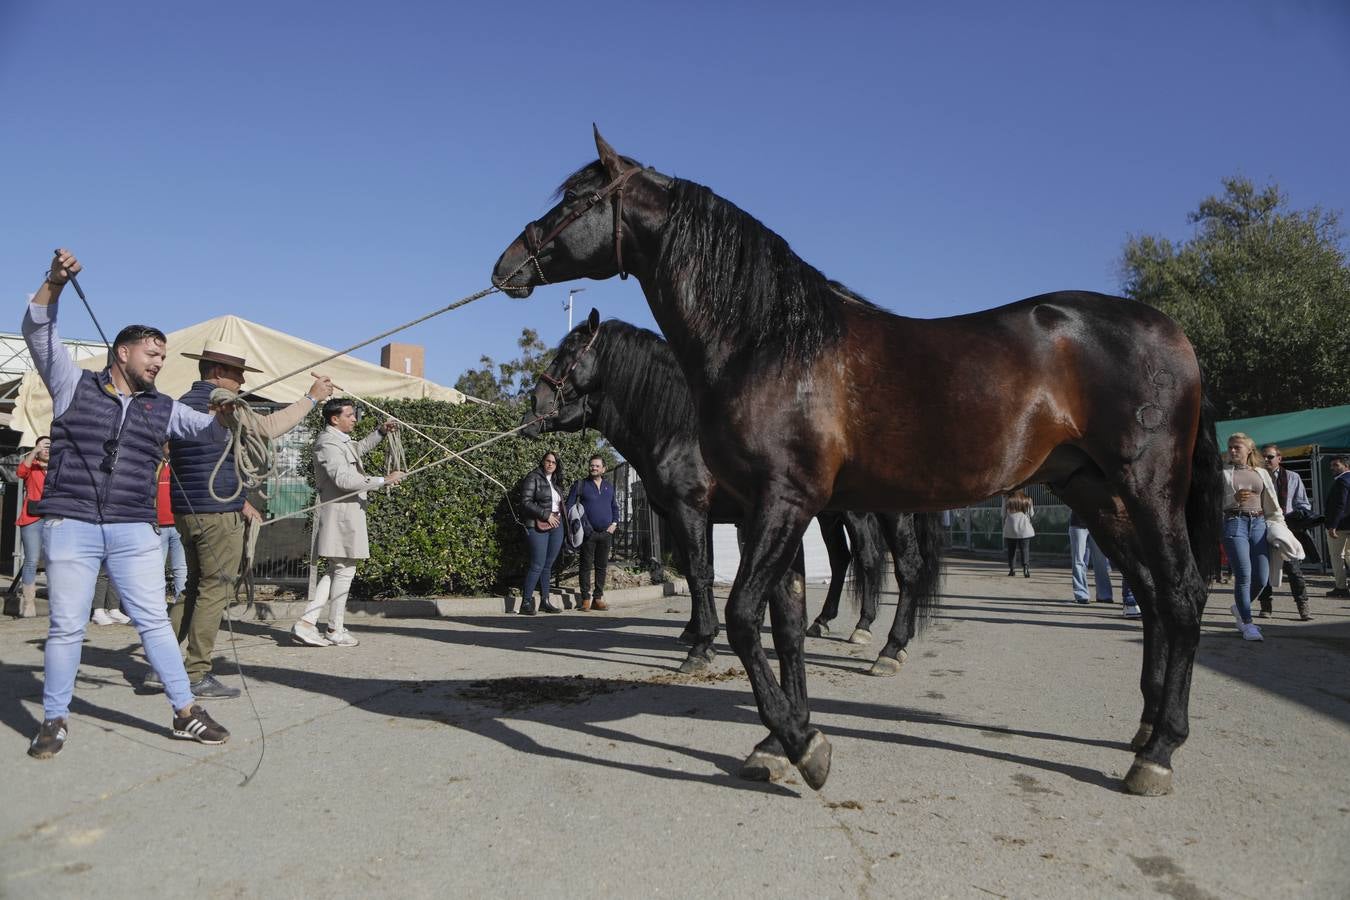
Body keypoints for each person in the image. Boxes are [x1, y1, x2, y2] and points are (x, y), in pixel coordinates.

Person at [23, 248, 231, 759]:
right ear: (122, 353)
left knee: (155, 622)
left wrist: (233, 413)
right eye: (152, 355)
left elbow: (210, 429)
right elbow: (37, 330)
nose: (159, 363)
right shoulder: (72, 385)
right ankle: (54, 719)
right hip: (70, 524)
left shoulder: (165, 408)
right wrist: (55, 282)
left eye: (162, 357)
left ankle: (185, 713)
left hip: (135, 530)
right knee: (67, 626)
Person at [162, 340, 332, 696]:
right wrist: (311, 399)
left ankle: (158, 665)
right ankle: (195, 673)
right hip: (216, 512)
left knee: (194, 587)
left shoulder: (180, 405)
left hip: (187, 509)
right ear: (219, 373)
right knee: (215, 589)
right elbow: (267, 428)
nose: (241, 381)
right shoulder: (224, 405)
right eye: (238, 373)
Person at [291, 398, 404, 647]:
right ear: (335, 419)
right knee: (343, 570)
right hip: (340, 515)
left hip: (348, 514)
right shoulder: (327, 443)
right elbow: (344, 479)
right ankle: (330, 628)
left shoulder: (338, 440)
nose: (355, 419)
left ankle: (311, 623)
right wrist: (383, 480)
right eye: (350, 415)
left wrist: (381, 432)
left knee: (338, 570)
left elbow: (358, 449)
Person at [1221, 432, 1285, 642]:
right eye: (1230, 447)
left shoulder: (1261, 472)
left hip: (1259, 524)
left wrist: (1279, 525)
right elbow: (1214, 503)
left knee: (1262, 576)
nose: (1232, 450)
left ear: (1249, 450)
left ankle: (1240, 606)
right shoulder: (1223, 472)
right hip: (1234, 522)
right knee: (1244, 574)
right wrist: (1234, 498)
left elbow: (1272, 502)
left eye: (1237, 447)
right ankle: (1247, 624)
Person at [1254, 444, 1313, 620]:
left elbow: (1303, 504)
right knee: (1263, 569)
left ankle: (1303, 606)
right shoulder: (1256, 477)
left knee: (1294, 569)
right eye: (1263, 457)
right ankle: (1266, 606)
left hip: (1285, 528)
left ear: (1280, 458)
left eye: (1270, 457)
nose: (1266, 460)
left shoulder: (1293, 477)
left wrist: (1296, 515)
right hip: (1262, 527)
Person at [566, 455, 621, 611]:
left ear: (603, 469)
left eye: (597, 466)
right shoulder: (581, 484)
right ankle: (585, 599)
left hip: (606, 533)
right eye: (592, 465)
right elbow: (569, 506)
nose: (594, 468)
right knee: (585, 566)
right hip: (587, 534)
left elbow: (615, 507)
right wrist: (577, 525)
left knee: (601, 567)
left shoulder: (609, 487)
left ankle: (598, 598)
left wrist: (614, 524)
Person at [517, 450, 566, 615]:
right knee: (537, 564)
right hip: (537, 524)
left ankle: (545, 601)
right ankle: (526, 602)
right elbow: (525, 502)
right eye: (548, 461)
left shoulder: (555, 482)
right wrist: (546, 515)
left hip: (556, 525)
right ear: (543, 461)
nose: (550, 464)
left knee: (548, 565)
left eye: (554, 462)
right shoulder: (533, 477)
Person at [1067, 512, 1141, 617]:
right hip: (1077, 524)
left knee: (1101, 561)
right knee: (1078, 561)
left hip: (1096, 525)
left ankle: (1104, 595)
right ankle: (1081, 595)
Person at [14, 436, 51, 617]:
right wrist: (34, 452)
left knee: (56, 560)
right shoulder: (32, 464)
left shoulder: (57, 466)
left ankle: (58, 600)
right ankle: (29, 603)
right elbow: (20, 472)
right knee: (32, 560)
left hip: (53, 518)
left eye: (49, 446)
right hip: (32, 518)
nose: (46, 449)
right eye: (43, 446)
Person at [156, 446, 187, 604]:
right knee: (156, 569)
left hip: (178, 524)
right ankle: (156, 606)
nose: (168, 446)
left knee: (180, 568)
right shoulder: (155, 464)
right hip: (157, 526)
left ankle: (180, 606)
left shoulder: (181, 464)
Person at [1324, 455, 1350, 599]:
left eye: (1336, 465)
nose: (1332, 468)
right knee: (1348, 555)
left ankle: (1341, 587)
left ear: (1346, 466)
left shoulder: (1342, 481)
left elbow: (1340, 504)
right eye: (1331, 465)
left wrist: (1333, 525)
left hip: (1340, 526)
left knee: (1336, 556)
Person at [1001, 490, 1034, 578]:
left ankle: (1012, 570)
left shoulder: (1007, 499)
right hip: (1024, 528)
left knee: (1011, 550)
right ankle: (1026, 569)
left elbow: (1003, 514)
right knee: (1025, 549)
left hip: (1010, 528)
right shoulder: (1028, 499)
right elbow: (1031, 514)